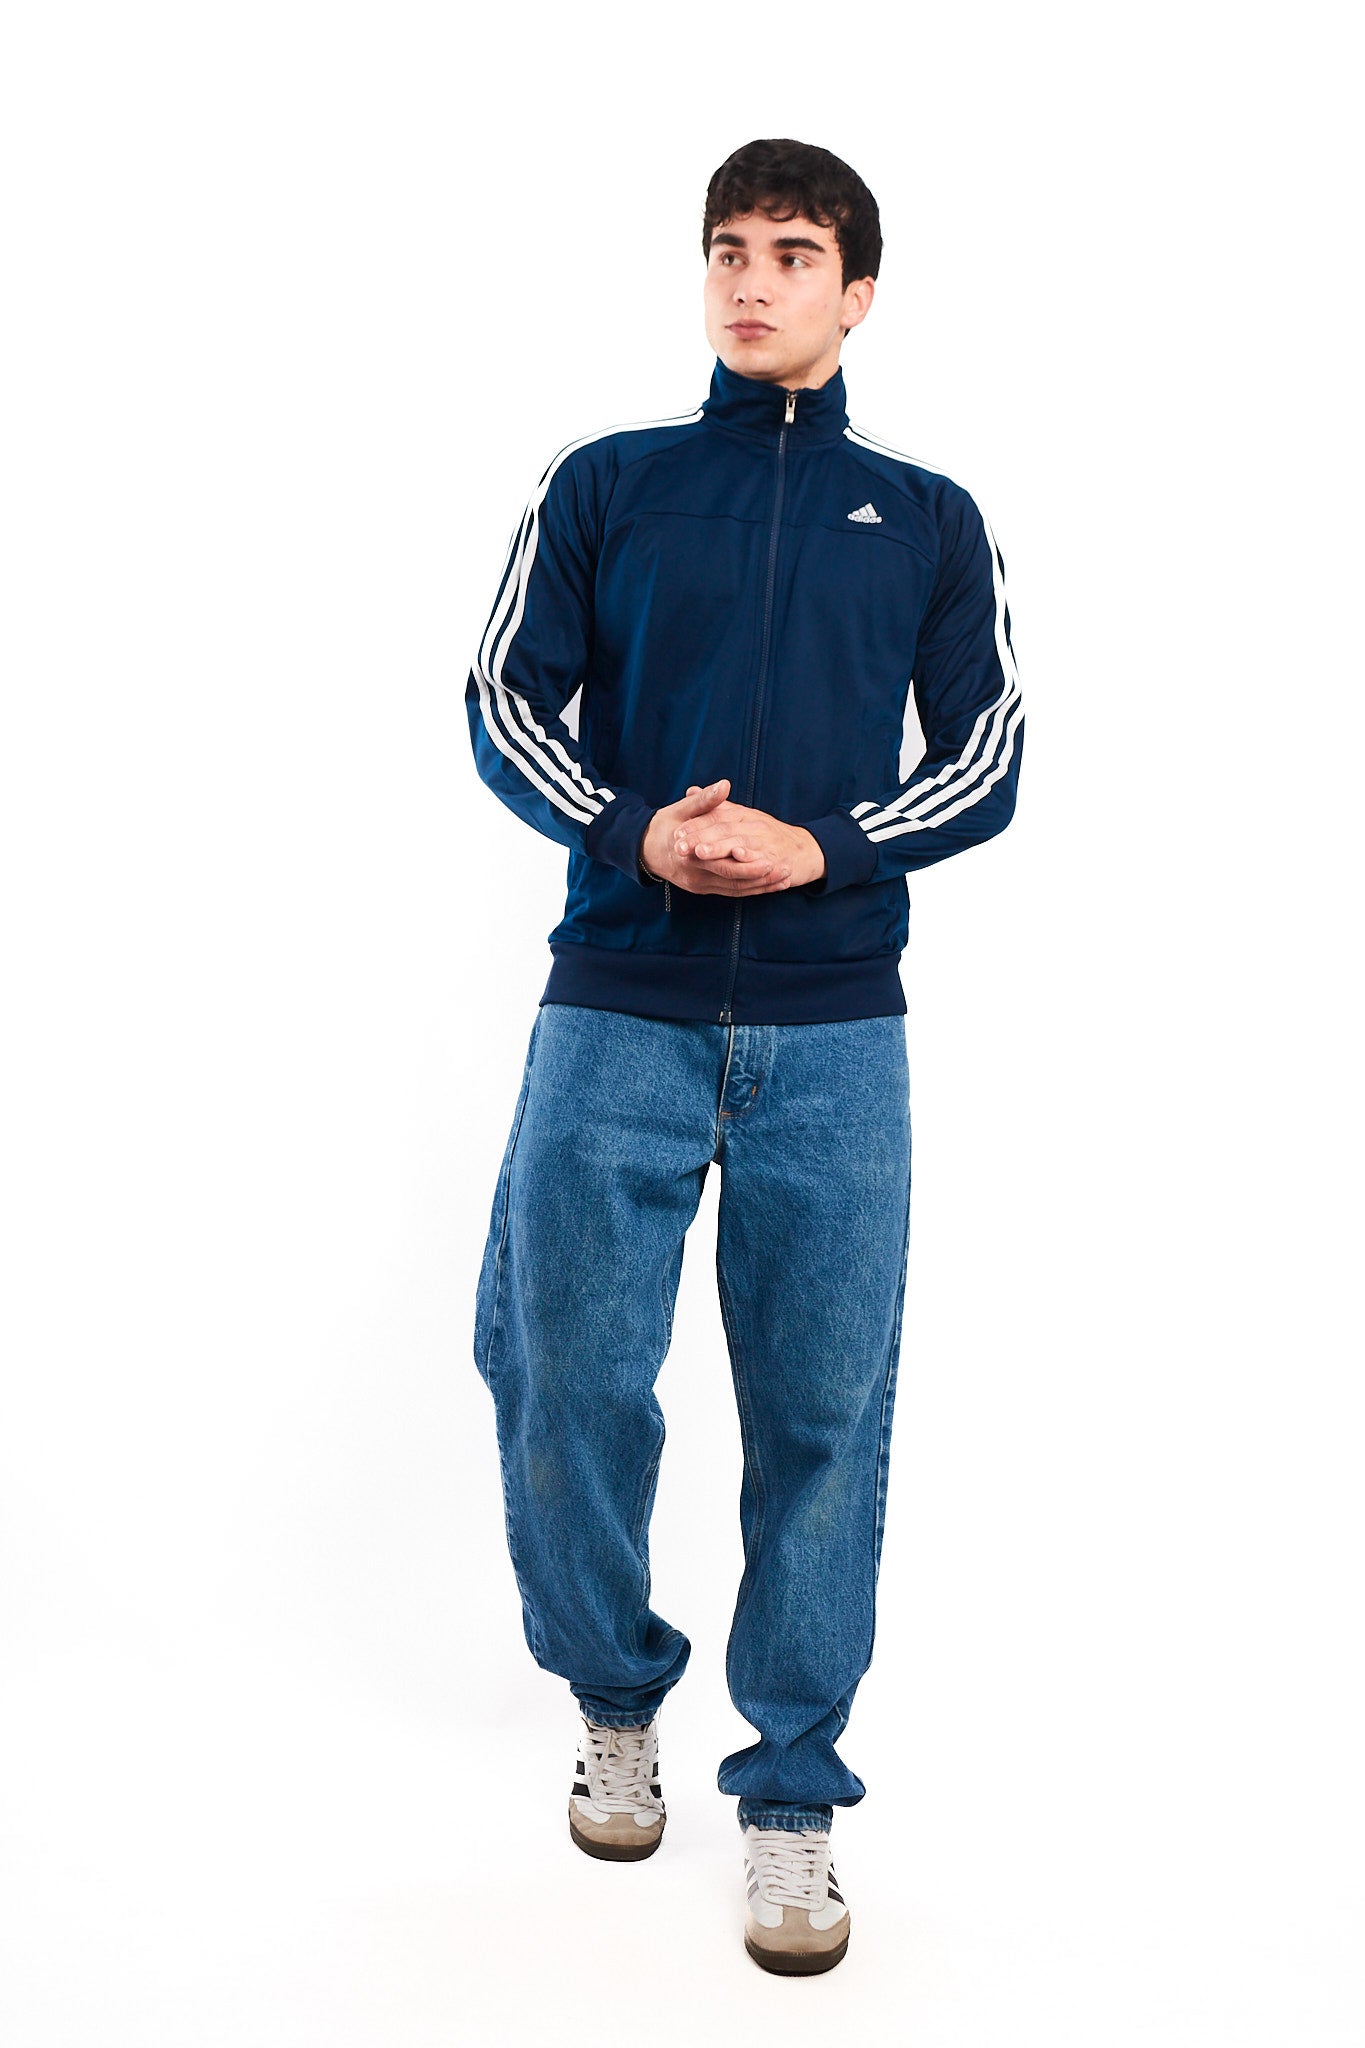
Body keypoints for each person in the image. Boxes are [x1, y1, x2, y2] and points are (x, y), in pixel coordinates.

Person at [465, 136, 1023, 1976]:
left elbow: (989, 756)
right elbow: (502, 699)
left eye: (792, 252)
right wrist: (636, 829)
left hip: (833, 1039)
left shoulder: (926, 516)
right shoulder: (608, 483)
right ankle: (613, 1694)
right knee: (560, 1378)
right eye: (728, 249)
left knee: (822, 1421)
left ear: (856, 292)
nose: (752, 280)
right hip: (614, 1008)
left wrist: (821, 847)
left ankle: (790, 1795)